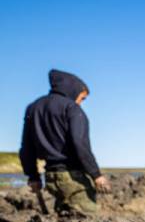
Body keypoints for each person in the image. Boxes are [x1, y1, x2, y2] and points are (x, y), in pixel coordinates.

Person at [19, 69, 111, 214]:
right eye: (82, 98)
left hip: (50, 177)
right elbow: (80, 144)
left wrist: (33, 176)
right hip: (73, 177)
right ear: (73, 90)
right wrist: (96, 175)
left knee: (63, 221)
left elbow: (27, 148)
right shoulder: (71, 108)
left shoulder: (33, 108)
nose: (80, 103)